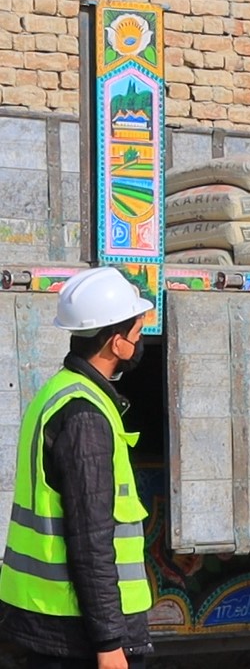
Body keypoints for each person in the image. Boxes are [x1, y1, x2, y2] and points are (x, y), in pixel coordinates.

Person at [0, 267, 156, 669]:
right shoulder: (85, 415)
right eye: (137, 333)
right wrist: (109, 644)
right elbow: (91, 539)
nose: (141, 342)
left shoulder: (59, 390)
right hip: (79, 637)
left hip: (53, 622)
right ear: (116, 342)